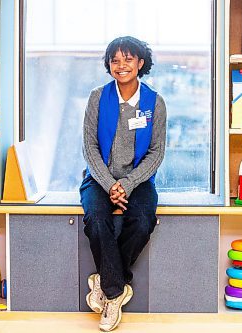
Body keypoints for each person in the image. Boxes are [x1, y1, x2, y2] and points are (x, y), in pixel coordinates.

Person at [79, 36, 167, 332]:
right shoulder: (97, 98)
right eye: (115, 60)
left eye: (128, 59)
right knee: (96, 219)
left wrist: (127, 185)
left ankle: (104, 283)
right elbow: (89, 147)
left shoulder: (155, 103)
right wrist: (109, 185)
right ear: (109, 65)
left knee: (143, 221)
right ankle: (116, 292)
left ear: (140, 63)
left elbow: (157, 152)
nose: (121, 65)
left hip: (138, 181)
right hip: (99, 178)